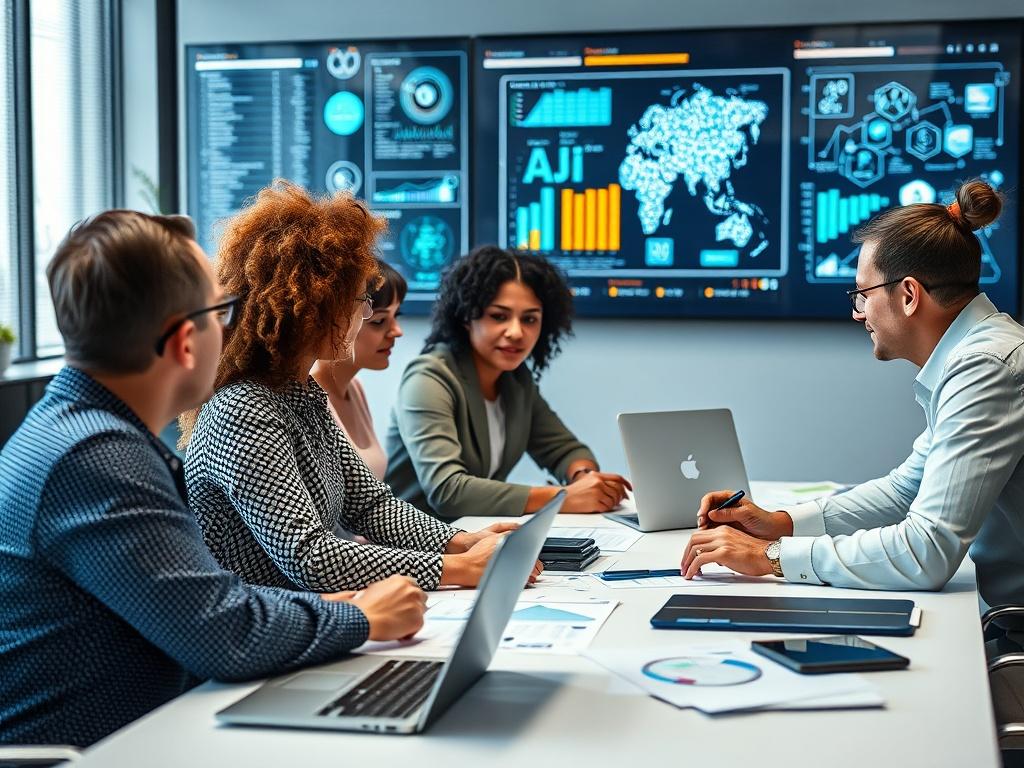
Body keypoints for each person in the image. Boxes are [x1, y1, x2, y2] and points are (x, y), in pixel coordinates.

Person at [0, 210, 427, 748]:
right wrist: (359, 617)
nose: (233, 325)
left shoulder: (86, 434)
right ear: (184, 341)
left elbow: (214, 605)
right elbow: (222, 632)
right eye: (222, 310)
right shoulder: (97, 459)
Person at [679, 179, 1024, 613]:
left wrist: (769, 557)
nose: (856, 313)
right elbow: (906, 491)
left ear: (909, 295)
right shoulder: (977, 354)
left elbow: (925, 552)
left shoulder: (985, 366)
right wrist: (777, 524)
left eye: (862, 295)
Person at [182, 182, 530, 594]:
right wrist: (458, 568)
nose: (363, 313)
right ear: (309, 305)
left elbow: (371, 505)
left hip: (315, 620)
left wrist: (463, 543)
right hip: (273, 641)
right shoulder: (242, 410)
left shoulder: (300, 395)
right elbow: (309, 557)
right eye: (357, 300)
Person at [386, 245, 630, 521]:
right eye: (498, 316)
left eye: (529, 319)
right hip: (416, 550)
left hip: (474, 540)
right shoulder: (428, 378)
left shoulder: (515, 380)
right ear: (467, 317)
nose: (516, 332)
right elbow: (447, 491)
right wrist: (563, 498)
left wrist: (584, 478)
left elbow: (564, 450)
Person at [311, 258, 406, 479]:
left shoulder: (355, 387)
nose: (397, 331)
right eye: (379, 321)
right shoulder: (310, 397)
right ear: (341, 320)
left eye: (396, 317)